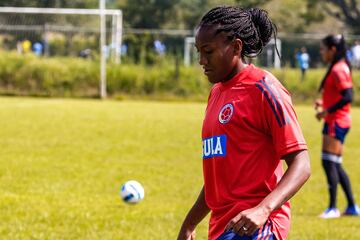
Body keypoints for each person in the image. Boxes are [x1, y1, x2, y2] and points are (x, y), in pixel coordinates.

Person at [177, 6, 311, 240]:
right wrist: (189, 224)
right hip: (223, 228)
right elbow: (217, 178)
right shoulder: (216, 94)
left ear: (236, 47)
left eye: (208, 51)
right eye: (199, 51)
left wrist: (263, 209)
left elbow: (301, 164)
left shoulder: (264, 89)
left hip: (259, 227)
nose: (201, 60)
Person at [315, 34, 360, 219]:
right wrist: (324, 105)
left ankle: (333, 208)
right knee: (335, 164)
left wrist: (327, 112)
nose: (321, 52)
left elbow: (348, 96)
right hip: (337, 120)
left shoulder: (338, 69)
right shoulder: (338, 67)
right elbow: (338, 95)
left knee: (329, 162)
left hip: (336, 122)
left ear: (332, 49)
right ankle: (352, 206)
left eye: (323, 49)